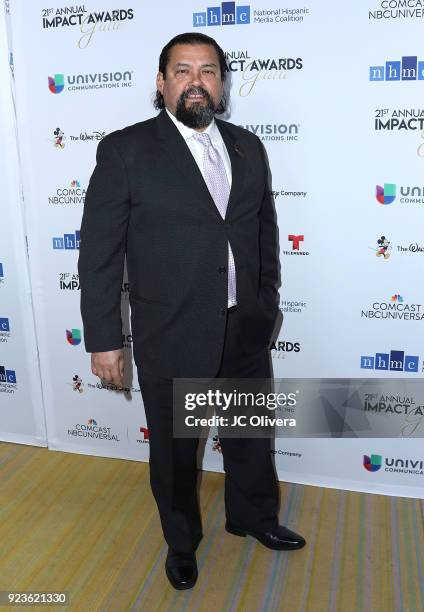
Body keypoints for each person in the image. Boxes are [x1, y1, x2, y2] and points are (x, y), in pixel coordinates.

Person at [78, 32, 306, 591]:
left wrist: (265, 303)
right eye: (182, 70)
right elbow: (100, 252)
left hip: (243, 326)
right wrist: (105, 337)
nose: (196, 81)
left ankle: (253, 516)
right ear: (161, 83)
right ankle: (182, 542)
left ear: (222, 83)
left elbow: (263, 235)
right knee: (178, 453)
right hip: (171, 329)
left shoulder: (249, 145)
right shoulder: (125, 149)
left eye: (207, 71)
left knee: (251, 434)